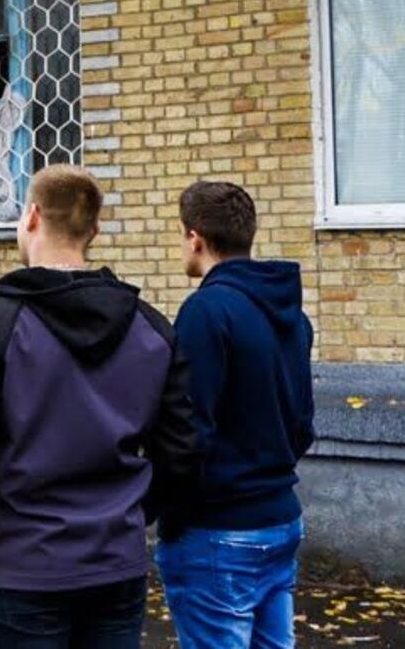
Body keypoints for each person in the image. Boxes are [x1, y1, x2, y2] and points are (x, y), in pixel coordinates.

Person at [0, 165, 200, 649]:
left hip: (21, 565)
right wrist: (124, 519)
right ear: (95, 230)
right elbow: (179, 450)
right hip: (114, 564)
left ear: (33, 217)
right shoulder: (151, 328)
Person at [156, 181, 316, 649]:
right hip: (281, 519)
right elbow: (302, 424)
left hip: (217, 532)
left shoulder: (206, 311)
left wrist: (172, 513)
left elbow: (186, 430)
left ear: (195, 237)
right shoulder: (291, 315)